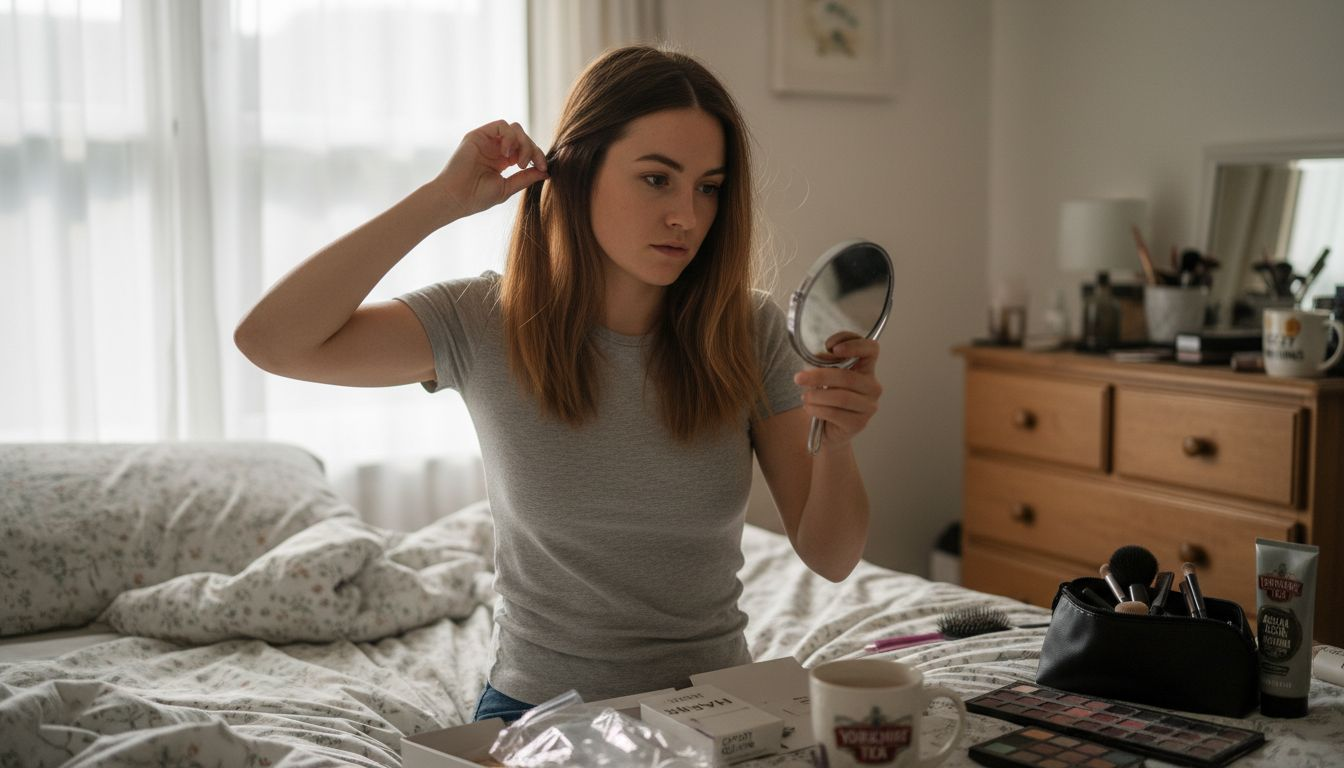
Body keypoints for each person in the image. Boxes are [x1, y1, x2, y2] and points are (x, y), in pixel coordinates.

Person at [234, 45, 882, 724]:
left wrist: (836, 442)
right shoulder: (483, 322)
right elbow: (272, 341)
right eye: (657, 179)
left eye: (708, 187)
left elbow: (831, 557)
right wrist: (442, 201)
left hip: (713, 707)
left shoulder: (745, 329)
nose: (687, 216)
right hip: (540, 709)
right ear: (578, 170)